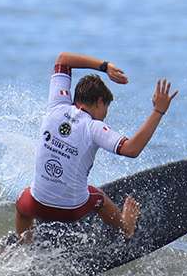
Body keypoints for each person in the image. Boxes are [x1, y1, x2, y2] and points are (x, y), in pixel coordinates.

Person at [15, 52, 176, 240]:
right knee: (98, 197)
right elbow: (132, 149)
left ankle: (25, 245)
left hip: (36, 206)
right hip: (71, 211)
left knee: (22, 204)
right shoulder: (93, 127)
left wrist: (105, 66)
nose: (105, 114)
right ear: (100, 102)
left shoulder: (56, 106)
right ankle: (126, 228)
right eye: (106, 108)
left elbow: (63, 59)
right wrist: (158, 111)